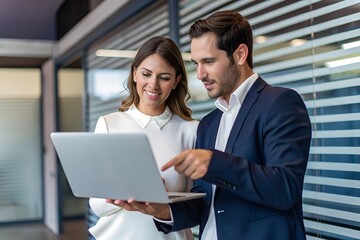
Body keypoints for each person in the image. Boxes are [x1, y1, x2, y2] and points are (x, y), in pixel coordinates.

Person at [108, 10, 312, 240]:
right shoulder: (208, 124)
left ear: (240, 54)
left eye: (209, 61)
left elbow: (285, 188)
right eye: (196, 63)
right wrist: (161, 210)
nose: (200, 74)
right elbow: (204, 203)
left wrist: (215, 162)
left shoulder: (279, 102)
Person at [88, 36, 198, 240]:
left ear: (176, 81)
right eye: (146, 74)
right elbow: (96, 206)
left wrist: (164, 202)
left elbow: (197, 207)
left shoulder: (191, 130)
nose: (153, 85)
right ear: (134, 74)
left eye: (164, 77)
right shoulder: (109, 123)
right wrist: (128, 192)